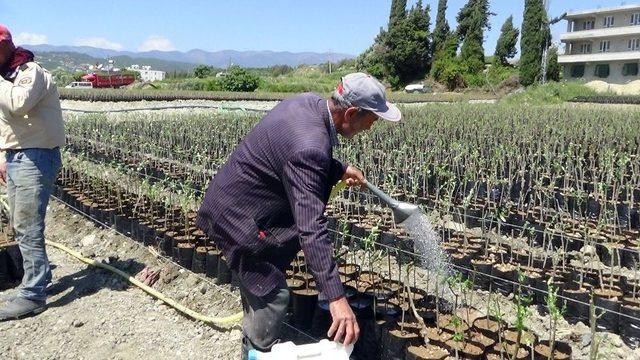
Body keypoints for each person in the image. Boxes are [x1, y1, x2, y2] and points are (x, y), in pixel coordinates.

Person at [196, 72, 401, 357]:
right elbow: (311, 228)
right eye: (372, 119)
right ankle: (257, 351)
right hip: (236, 219)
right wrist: (337, 299)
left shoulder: (309, 102)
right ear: (352, 113)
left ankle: (253, 338)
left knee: (260, 286)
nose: (371, 126)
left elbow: (294, 150)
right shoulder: (311, 147)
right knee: (273, 295)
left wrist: (338, 169)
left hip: (234, 204)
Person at [0, 24, 66, 320]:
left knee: (28, 226)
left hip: (35, 157)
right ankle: (35, 283)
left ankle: (32, 295)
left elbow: (18, 104)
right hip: (17, 156)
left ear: (5, 47)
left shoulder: (31, 73)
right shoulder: (8, 78)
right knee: (20, 223)